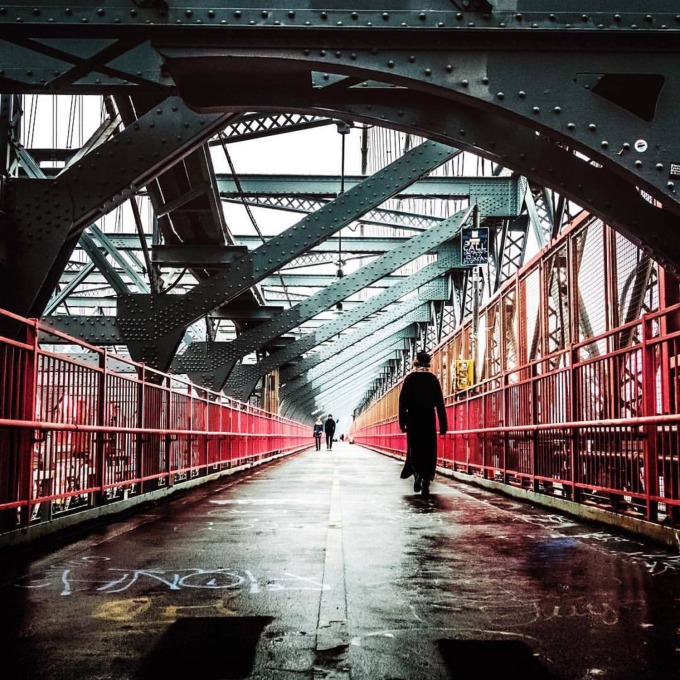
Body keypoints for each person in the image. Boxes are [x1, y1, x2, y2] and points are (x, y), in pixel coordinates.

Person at [398, 350, 448, 496]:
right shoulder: (433, 380)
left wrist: (402, 422)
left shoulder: (410, 379)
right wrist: (443, 425)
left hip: (413, 420)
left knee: (415, 449)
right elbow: (440, 404)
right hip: (428, 419)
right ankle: (426, 478)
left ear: (416, 363)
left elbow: (402, 403)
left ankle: (418, 474)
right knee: (429, 449)